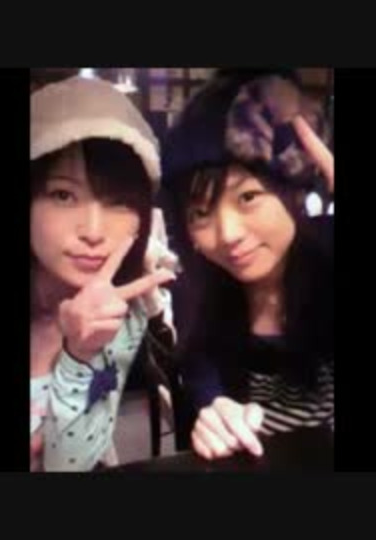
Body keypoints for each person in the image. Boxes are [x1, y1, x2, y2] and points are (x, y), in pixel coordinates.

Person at [160, 69, 336, 460]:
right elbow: (199, 369)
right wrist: (214, 410)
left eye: (248, 197)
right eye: (200, 213)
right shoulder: (197, 290)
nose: (227, 234)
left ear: (293, 192)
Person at [29, 77, 177, 471]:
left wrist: (80, 355)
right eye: (63, 195)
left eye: (118, 201)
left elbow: (70, 465)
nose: (93, 232)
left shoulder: (120, 317)